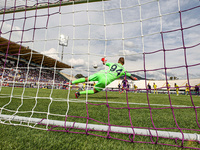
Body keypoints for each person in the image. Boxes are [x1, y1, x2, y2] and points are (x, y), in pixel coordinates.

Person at [72, 57, 137, 98]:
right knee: (94, 91)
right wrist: (134, 78)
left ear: (118, 61)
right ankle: (78, 93)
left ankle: (72, 82)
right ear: (123, 63)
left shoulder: (112, 64)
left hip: (101, 73)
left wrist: (103, 60)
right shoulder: (124, 70)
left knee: (86, 79)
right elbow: (131, 77)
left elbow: (104, 62)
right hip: (106, 79)